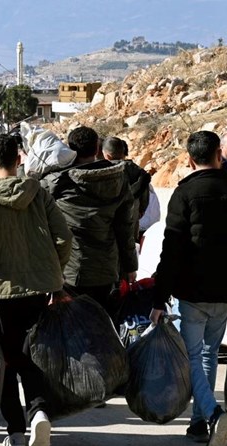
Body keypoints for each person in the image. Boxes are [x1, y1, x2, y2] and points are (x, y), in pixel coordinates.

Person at [149, 130, 227, 446]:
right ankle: (199, 422)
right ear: (218, 155)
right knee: (209, 354)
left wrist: (159, 299)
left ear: (189, 160)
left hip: (192, 292)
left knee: (192, 356)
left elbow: (171, 252)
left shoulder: (185, 195)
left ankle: (212, 413)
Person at [0, 134, 72, 446]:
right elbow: (63, 238)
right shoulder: (39, 194)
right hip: (38, 289)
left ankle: (15, 431)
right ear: (19, 159)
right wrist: (54, 270)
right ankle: (38, 410)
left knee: (6, 360)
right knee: (32, 353)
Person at [38, 126, 137, 312]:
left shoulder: (57, 183)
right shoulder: (118, 179)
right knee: (104, 327)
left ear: (70, 150)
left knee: (76, 330)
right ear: (98, 149)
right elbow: (125, 228)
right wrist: (130, 267)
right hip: (107, 270)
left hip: (72, 273)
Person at [102, 136, 151, 242]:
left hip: (108, 222)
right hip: (132, 215)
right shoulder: (137, 170)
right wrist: (141, 210)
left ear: (107, 155)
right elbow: (144, 194)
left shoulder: (103, 171)